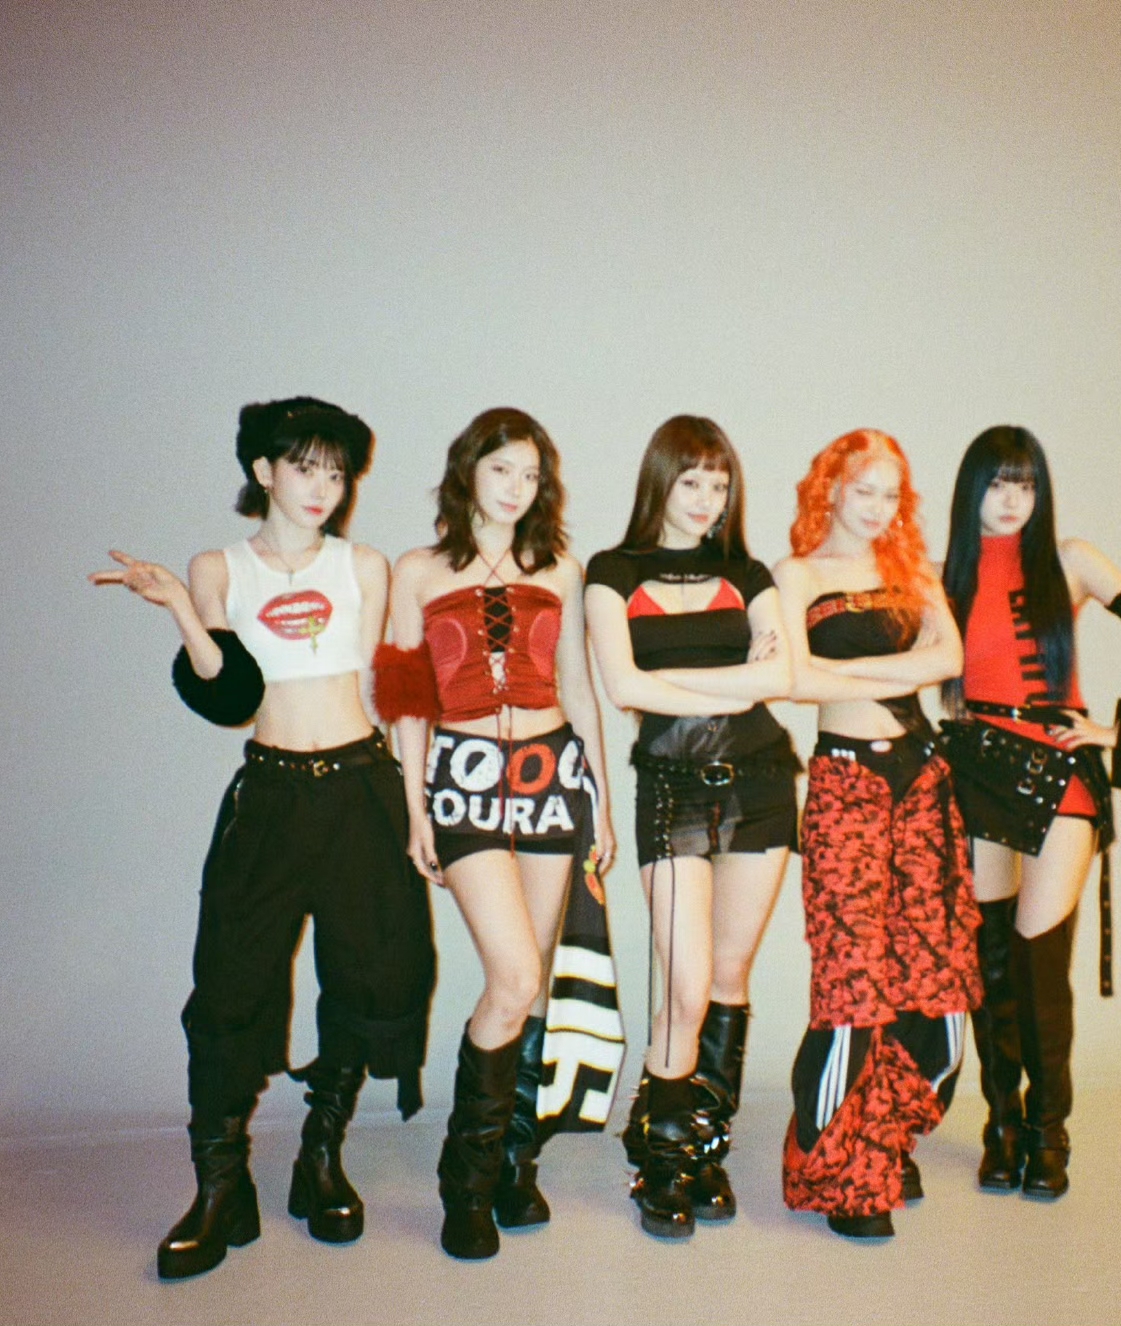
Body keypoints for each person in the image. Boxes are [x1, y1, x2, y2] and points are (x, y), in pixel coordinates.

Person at [89, 397, 436, 1280]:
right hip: (272, 795)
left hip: (361, 788)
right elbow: (231, 695)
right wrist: (181, 608)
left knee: (370, 971)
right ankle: (220, 1186)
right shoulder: (220, 568)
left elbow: (393, 691)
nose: (322, 487)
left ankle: (320, 1158)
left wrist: (419, 809)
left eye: (336, 472)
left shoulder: (364, 565)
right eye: (304, 467)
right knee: (230, 982)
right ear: (263, 471)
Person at [371, 407, 620, 1261]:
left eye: (530, 475)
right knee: (510, 977)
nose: (517, 489)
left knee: (536, 981)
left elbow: (578, 689)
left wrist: (602, 803)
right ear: (468, 473)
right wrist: (417, 807)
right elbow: (405, 699)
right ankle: (466, 1181)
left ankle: (517, 1162)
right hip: (466, 781)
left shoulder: (562, 567)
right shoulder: (417, 569)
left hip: (552, 778)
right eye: (502, 470)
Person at [935, 424, 1121, 1199]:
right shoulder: (942, 574)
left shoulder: (1070, 559)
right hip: (976, 766)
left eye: (1026, 484)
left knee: (1040, 962)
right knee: (988, 962)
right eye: (997, 483)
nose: (1012, 499)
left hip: (1056, 768)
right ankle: (1002, 1124)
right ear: (971, 489)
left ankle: (1048, 1134)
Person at [583, 416, 796, 1239]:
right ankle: (662, 1160)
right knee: (683, 980)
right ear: (660, 481)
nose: (707, 499)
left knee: (729, 975)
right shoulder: (612, 572)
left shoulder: (748, 572)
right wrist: (733, 681)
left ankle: (703, 1148)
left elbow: (782, 674)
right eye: (692, 481)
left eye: (720, 484)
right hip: (670, 790)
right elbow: (621, 686)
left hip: (762, 783)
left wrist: (675, 680)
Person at [773, 428, 983, 1240]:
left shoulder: (913, 570)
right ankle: (841, 1175)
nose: (878, 507)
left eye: (891, 493)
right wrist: (895, 668)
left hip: (923, 783)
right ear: (830, 488)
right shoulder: (796, 575)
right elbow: (795, 680)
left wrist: (843, 674)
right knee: (852, 986)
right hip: (847, 787)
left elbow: (948, 659)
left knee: (936, 984)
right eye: (864, 489)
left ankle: (886, 1139)